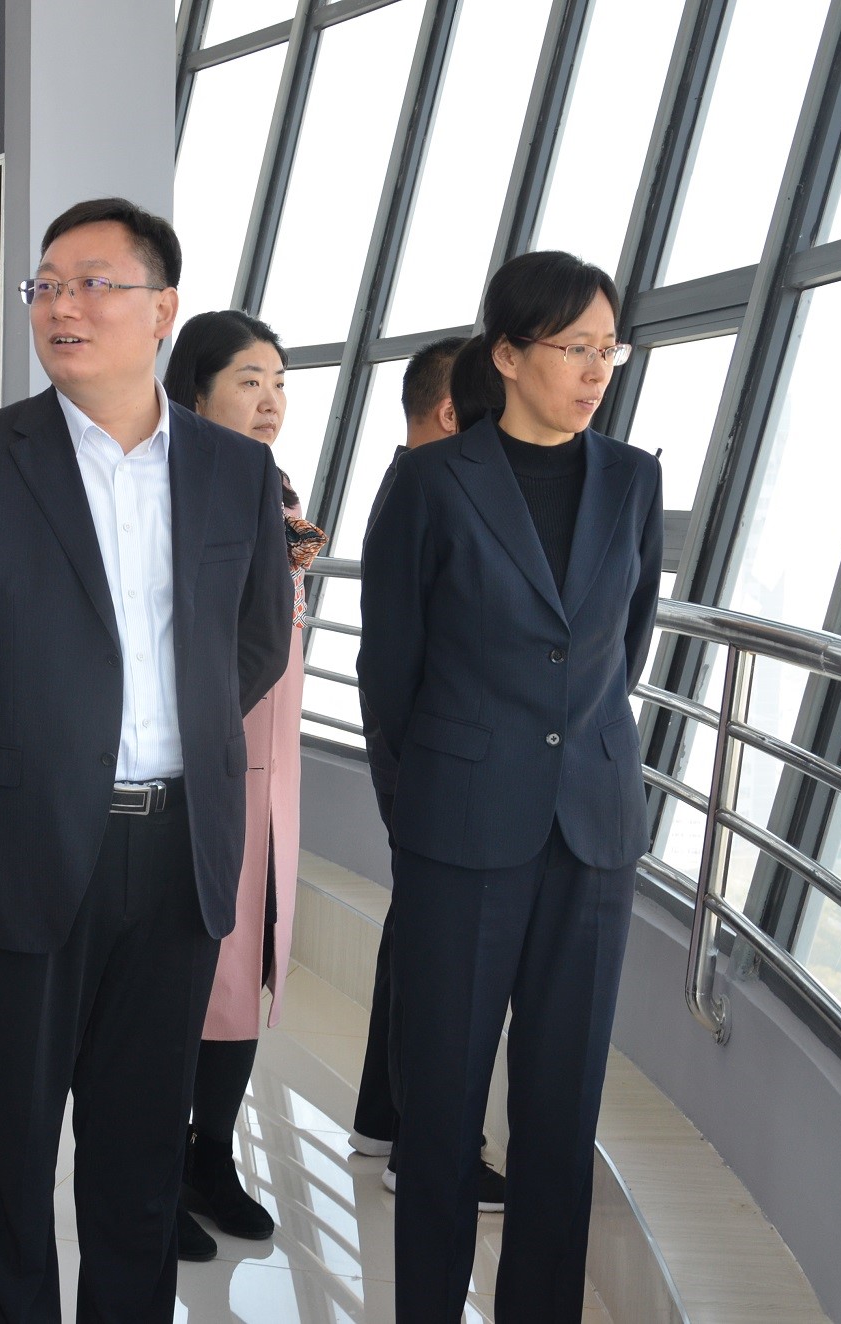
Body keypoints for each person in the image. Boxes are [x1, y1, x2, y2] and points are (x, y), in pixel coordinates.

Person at [0, 197, 293, 1321]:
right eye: (47, 285)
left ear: (161, 309)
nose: (62, 305)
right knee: (10, 1152)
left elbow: (254, 641)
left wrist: (168, 728)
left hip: (178, 853)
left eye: (94, 282)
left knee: (142, 1154)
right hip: (15, 854)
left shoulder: (234, 473)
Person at [358, 250, 662, 1322]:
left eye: (608, 349)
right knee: (442, 1109)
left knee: (561, 1109)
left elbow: (621, 646)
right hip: (458, 832)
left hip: (593, 830)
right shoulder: (432, 483)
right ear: (508, 354)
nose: (595, 370)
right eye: (574, 348)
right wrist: (422, 816)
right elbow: (389, 671)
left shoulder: (631, 480)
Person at [159, 311, 323, 1262]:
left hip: (273, 773)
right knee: (187, 974)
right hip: (203, 762)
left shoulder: (278, 491)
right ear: (196, 392)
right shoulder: (176, 493)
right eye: (249, 381)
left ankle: (210, 1158)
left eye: (279, 382)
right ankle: (153, 1171)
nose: (270, 401)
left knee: (250, 964)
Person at [348, 335, 505, 1211]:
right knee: (440, 955)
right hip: (434, 765)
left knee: (417, 936)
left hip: (425, 760)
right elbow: (395, 660)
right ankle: (424, 1144)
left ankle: (386, 1118)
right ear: (453, 412)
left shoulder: (408, 484)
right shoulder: (427, 489)